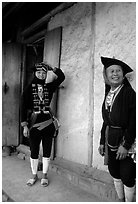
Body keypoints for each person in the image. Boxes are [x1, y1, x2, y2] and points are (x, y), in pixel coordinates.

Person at [21, 62, 65, 187]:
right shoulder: (28, 89)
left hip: (48, 124)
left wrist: (52, 68)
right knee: (34, 150)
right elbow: (23, 107)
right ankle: (34, 175)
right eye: (39, 72)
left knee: (47, 150)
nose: (41, 75)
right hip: (33, 124)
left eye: (44, 73)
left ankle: (44, 175)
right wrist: (24, 125)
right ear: (34, 73)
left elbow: (61, 77)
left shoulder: (49, 87)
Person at [98, 56, 136, 202]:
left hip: (126, 141)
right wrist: (102, 141)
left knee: (127, 175)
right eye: (111, 71)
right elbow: (106, 121)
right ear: (106, 76)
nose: (115, 74)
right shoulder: (109, 93)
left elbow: (134, 121)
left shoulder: (128, 93)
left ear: (122, 74)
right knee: (114, 172)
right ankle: (121, 199)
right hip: (110, 140)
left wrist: (126, 145)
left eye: (118, 71)